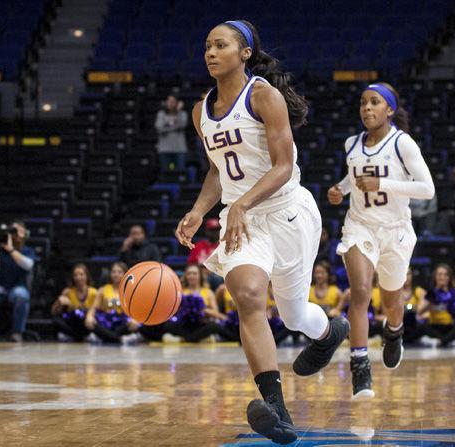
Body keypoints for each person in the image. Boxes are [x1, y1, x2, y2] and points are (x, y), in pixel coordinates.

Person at [174, 20, 349, 444]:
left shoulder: (264, 97)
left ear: (245, 53)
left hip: (286, 211)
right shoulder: (201, 111)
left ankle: (330, 333)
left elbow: (283, 166)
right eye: (207, 46)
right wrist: (199, 210)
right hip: (243, 220)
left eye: (221, 45)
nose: (210, 53)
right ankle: (277, 409)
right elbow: (218, 169)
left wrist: (243, 203)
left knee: (293, 314)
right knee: (249, 296)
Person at [327, 82, 435, 398]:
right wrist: (340, 189)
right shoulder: (352, 143)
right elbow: (353, 179)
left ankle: (394, 331)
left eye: (374, 102)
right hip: (360, 226)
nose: (367, 108)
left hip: (396, 230)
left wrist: (383, 183)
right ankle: (360, 367)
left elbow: (427, 189)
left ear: (389, 109)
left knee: (391, 300)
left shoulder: (403, 144)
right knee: (360, 291)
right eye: (363, 103)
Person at [127, 264, 236, 344]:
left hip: (199, 324)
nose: (192, 276)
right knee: (164, 325)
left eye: (194, 273)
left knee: (214, 326)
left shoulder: (207, 292)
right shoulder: (179, 290)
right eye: (189, 273)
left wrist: (201, 310)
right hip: (181, 325)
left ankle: (182, 340)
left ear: (200, 276)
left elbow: (215, 313)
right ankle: (196, 338)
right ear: (185, 276)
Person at [412, 264, 455, 347]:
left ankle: (442, 341)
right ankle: (449, 340)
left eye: (445, 274)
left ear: (449, 277)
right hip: (435, 326)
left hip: (450, 326)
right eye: (439, 274)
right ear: (435, 277)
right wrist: (430, 304)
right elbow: (419, 311)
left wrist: (453, 305)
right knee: (420, 326)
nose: (442, 277)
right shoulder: (430, 294)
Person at [85, 262, 138, 343]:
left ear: (125, 274)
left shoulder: (130, 291)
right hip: (106, 323)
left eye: (119, 272)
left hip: (122, 324)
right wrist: (89, 317)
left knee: (135, 323)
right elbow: (93, 308)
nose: (116, 274)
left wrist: (135, 320)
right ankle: (121, 339)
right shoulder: (102, 289)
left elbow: (136, 310)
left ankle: (103, 337)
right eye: (113, 272)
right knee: (93, 324)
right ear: (110, 274)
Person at [51, 264, 97, 342]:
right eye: (76, 275)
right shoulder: (68, 292)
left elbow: (94, 312)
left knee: (80, 315)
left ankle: (74, 336)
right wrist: (59, 302)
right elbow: (53, 311)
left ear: (87, 276)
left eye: (81, 275)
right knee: (57, 320)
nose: (78, 278)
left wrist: (72, 306)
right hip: (73, 324)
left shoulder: (94, 292)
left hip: (85, 323)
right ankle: (79, 337)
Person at [186, 217, 224, 290]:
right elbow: (191, 264)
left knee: (216, 278)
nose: (214, 233)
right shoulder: (198, 246)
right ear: (206, 231)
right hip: (200, 274)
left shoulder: (223, 246)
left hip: (218, 275)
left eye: (217, 230)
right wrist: (202, 272)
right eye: (212, 230)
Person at [155, 94, 189, 172]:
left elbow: (182, 125)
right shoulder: (161, 114)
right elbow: (159, 129)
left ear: (177, 103)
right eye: (169, 101)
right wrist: (174, 125)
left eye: (172, 101)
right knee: (166, 175)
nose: (170, 103)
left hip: (180, 149)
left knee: (180, 174)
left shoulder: (182, 114)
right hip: (164, 149)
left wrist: (167, 124)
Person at [399, 268, 427, 344]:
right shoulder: (395, 292)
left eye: (408, 274)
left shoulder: (419, 291)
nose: (406, 277)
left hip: (414, 322)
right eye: (403, 273)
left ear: (412, 276)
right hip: (400, 322)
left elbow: (422, 310)